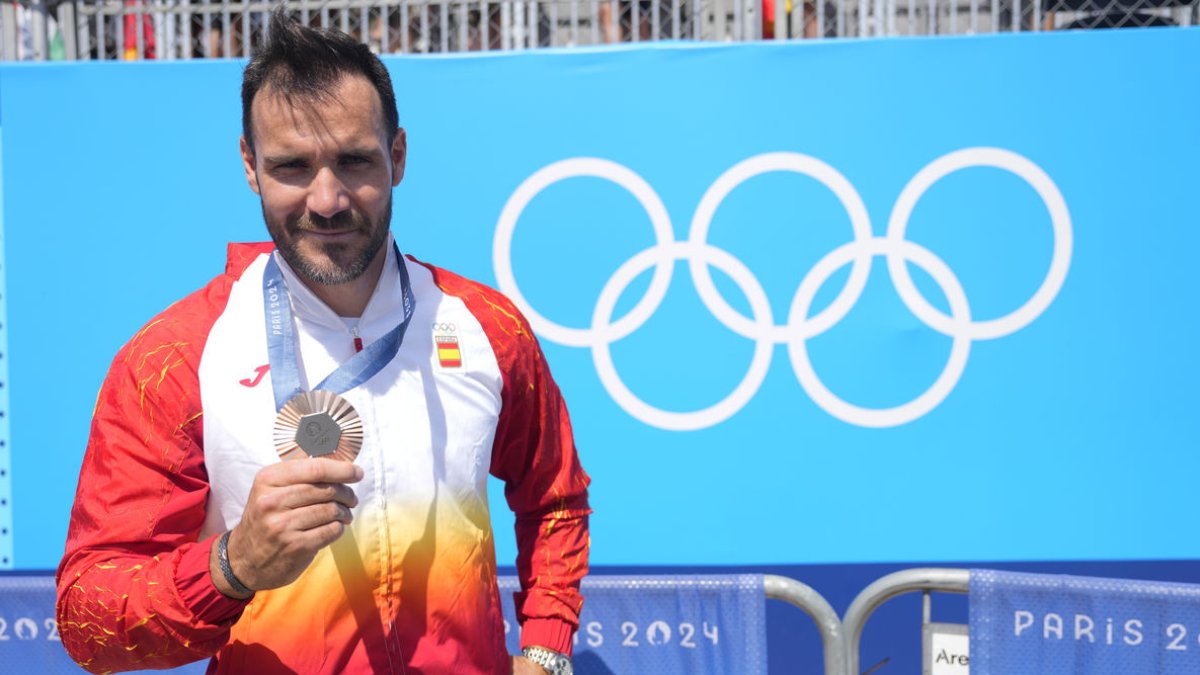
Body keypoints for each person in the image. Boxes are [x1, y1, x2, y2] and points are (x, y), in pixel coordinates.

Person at [55, 9, 590, 675]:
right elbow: (87, 618)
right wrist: (231, 564)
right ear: (250, 166)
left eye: (354, 160)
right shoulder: (174, 358)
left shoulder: (486, 325)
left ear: (397, 156)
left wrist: (545, 647)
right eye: (293, 167)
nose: (328, 198)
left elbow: (556, 496)